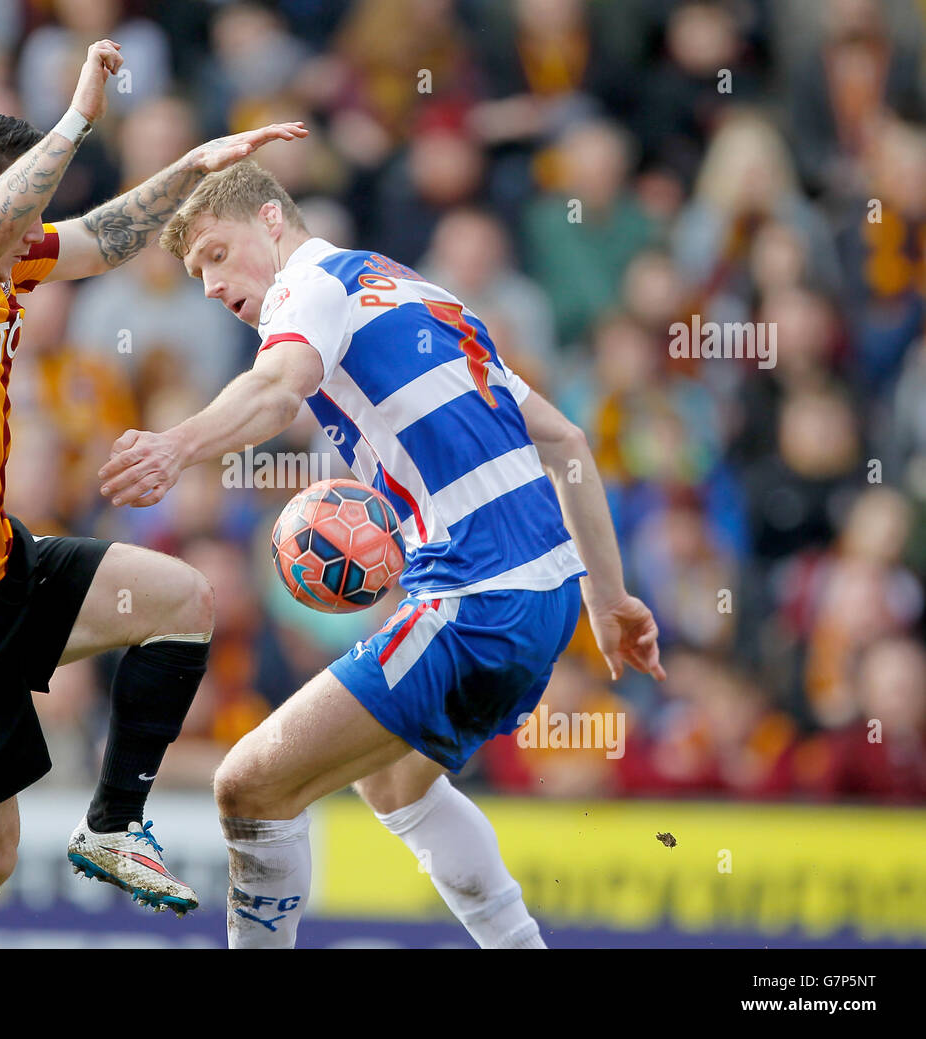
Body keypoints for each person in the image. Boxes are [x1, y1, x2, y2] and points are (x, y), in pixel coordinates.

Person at [99, 160, 666, 948]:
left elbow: (277, 389)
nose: (208, 287)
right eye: (196, 273)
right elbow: (566, 442)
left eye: (216, 256)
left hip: (475, 596)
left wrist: (175, 445)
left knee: (248, 784)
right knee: (394, 782)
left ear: (270, 220)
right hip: (541, 599)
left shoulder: (309, 287)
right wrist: (608, 598)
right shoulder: (419, 293)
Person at [0, 40, 306, 947]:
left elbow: (102, 237)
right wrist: (78, 118)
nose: (33, 240)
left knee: (184, 600)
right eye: (19, 217)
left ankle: (113, 824)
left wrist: (192, 169)